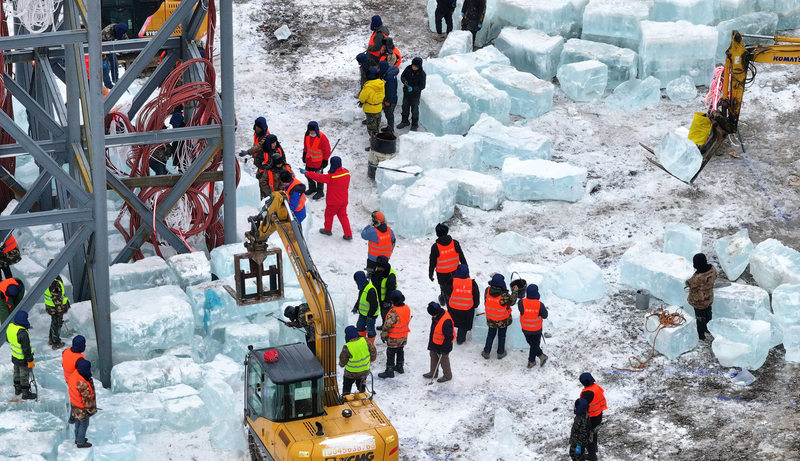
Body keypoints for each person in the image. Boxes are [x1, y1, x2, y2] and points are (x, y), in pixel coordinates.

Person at [301, 156, 352, 239]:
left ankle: (327, 230)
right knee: (343, 216)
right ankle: (348, 234)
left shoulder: (331, 177)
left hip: (333, 202)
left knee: (328, 215)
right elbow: (342, 171)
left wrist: (307, 173)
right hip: (343, 201)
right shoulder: (346, 173)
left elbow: (318, 177)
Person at [428, 223, 467, 306]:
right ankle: (455, 299)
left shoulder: (435, 247)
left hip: (442, 274)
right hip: (456, 272)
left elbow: (432, 263)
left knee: (444, 288)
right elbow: (462, 257)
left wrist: (430, 274)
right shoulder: (455, 243)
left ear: (437, 234)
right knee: (455, 286)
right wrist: (466, 268)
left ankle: (443, 300)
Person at [481, 273, 517, 360]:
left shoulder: (487, 290)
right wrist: (515, 292)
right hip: (502, 320)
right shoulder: (504, 296)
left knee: (490, 335)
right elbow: (512, 302)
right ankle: (500, 353)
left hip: (491, 319)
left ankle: (486, 352)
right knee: (502, 336)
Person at [378, 290, 411, 378]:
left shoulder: (393, 312)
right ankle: (400, 367)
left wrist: (383, 336)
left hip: (394, 338)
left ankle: (389, 370)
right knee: (400, 351)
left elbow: (387, 326)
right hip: (404, 336)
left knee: (390, 353)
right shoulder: (406, 308)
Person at [686, 253, 717, 341]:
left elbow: (690, 284)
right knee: (708, 313)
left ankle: (701, 335)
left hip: (699, 301)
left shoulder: (697, 277)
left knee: (700, 318)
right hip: (709, 298)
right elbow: (716, 276)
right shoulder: (712, 270)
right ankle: (708, 328)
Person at [339, 325, 377, 395]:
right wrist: (370, 359)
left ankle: (345, 398)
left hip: (350, 373)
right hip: (364, 372)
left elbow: (342, 363)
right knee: (361, 387)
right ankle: (362, 397)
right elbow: (373, 353)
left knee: (346, 388)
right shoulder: (366, 341)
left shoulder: (347, 347)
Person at [7, 310, 36, 400]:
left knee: (16, 372)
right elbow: (26, 349)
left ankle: (17, 389)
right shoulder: (22, 333)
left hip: (15, 356)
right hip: (23, 358)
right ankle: (25, 393)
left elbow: (8, 340)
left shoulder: (10, 328)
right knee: (24, 376)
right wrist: (30, 360)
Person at [446, 264, 479, 344]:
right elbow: (476, 296)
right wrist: (475, 305)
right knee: (463, 325)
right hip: (467, 309)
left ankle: (448, 336)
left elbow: (447, 293)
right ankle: (460, 339)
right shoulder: (472, 283)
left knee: (451, 322)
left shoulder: (452, 281)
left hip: (453, 307)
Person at [69, 358, 97, 448]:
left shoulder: (74, 374)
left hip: (74, 404)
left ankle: (77, 439)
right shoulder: (83, 384)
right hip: (82, 408)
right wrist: (91, 410)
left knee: (77, 422)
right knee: (84, 424)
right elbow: (87, 400)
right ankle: (80, 442)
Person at [578, 372, 607, 461]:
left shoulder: (587, 393)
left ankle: (592, 456)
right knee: (593, 434)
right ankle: (594, 450)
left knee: (588, 437)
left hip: (590, 418)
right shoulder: (596, 387)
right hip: (598, 414)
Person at [519, 284, 549, 368]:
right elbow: (545, 315)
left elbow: (521, 311)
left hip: (525, 329)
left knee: (532, 344)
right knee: (534, 345)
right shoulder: (540, 305)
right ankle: (532, 361)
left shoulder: (521, 302)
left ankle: (540, 357)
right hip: (536, 330)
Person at [423, 302, 454, 383]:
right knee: (433, 356)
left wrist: (445, 348)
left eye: (433, 315)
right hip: (435, 342)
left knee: (444, 360)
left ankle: (447, 375)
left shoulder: (446, 321)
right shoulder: (436, 316)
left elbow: (449, 337)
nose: (432, 316)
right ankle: (433, 372)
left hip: (443, 345)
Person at [301, 121, 332, 200]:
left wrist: (325, 160)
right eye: (310, 131)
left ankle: (320, 191)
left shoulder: (322, 137)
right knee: (307, 174)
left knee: (319, 177)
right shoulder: (307, 134)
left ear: (316, 130)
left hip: (318, 163)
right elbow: (305, 145)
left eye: (313, 131)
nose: (311, 132)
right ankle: (312, 188)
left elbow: (327, 150)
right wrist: (304, 154)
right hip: (309, 161)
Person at [359, 67, 386, 148]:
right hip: (378, 107)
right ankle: (377, 141)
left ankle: (375, 146)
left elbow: (362, 98)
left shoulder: (368, 86)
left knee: (371, 130)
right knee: (377, 127)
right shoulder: (381, 84)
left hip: (370, 109)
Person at [397, 57, 426, 131]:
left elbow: (422, 86)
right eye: (413, 65)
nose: (414, 67)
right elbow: (403, 76)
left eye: (416, 66)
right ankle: (404, 121)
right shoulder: (408, 68)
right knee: (405, 107)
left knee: (414, 110)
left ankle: (414, 124)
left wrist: (413, 88)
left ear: (419, 66)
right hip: (406, 93)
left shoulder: (422, 74)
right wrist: (405, 82)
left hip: (415, 95)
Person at [45, 271, 71, 349]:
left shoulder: (49, 278)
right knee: (57, 324)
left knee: (54, 322)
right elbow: (56, 299)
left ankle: (51, 340)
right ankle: (56, 343)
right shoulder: (54, 283)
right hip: (55, 308)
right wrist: (60, 311)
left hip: (51, 307)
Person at [352, 271, 379, 343]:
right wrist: (356, 307)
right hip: (363, 314)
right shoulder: (362, 288)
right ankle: (362, 342)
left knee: (370, 330)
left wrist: (370, 316)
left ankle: (370, 345)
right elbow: (360, 299)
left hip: (371, 315)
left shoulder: (370, 290)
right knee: (360, 327)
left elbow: (374, 305)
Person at [371, 255, 397, 327]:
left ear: (383, 267)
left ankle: (386, 328)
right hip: (379, 296)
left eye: (379, 267)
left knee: (386, 315)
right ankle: (384, 325)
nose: (377, 268)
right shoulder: (378, 270)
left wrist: (387, 302)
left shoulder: (391, 276)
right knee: (383, 314)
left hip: (386, 299)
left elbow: (391, 291)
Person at [100, 22, 128, 89]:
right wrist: (103, 59)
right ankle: (108, 85)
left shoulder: (122, 30)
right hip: (102, 49)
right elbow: (99, 46)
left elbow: (126, 41)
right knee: (104, 67)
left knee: (114, 63)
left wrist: (123, 51)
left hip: (111, 48)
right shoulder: (106, 33)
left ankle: (115, 79)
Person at [379, 62, 400, 133]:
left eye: (379, 68)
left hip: (391, 99)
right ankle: (389, 127)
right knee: (387, 112)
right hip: (386, 97)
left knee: (389, 114)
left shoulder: (390, 77)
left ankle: (390, 130)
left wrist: (388, 101)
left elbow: (391, 90)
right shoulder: (386, 73)